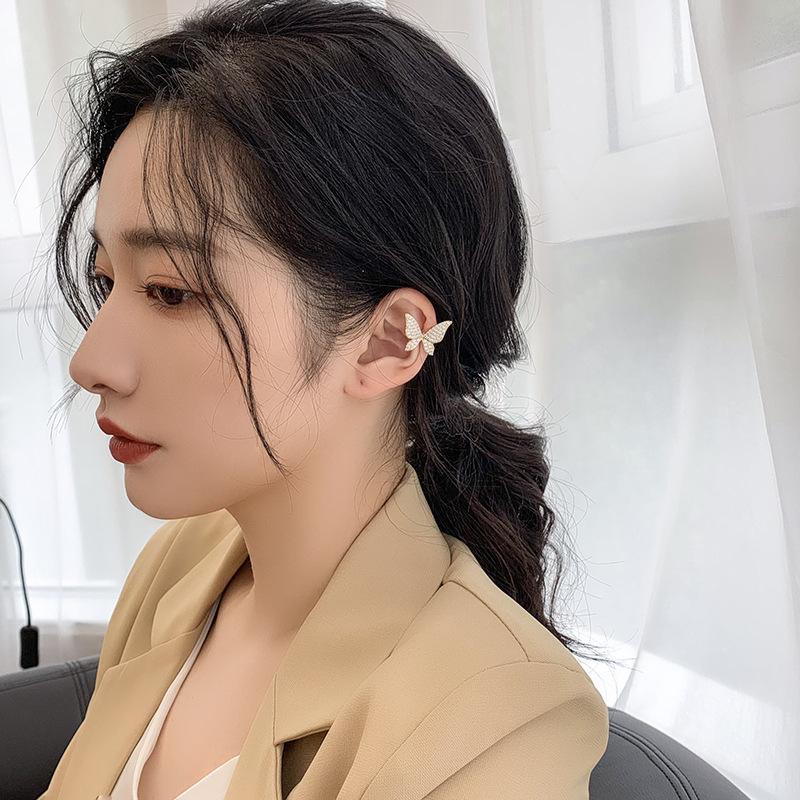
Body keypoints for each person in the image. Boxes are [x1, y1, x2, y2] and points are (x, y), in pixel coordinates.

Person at [41, 0, 611, 797]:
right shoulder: (181, 569)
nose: (91, 362)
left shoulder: (500, 716)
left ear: (390, 341)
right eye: (108, 281)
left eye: (170, 291)